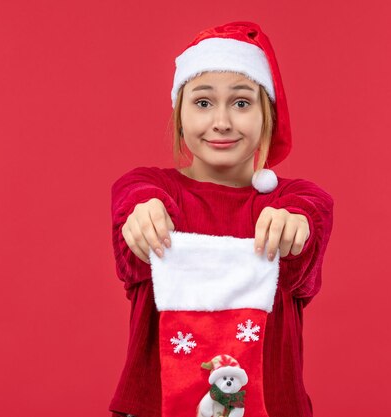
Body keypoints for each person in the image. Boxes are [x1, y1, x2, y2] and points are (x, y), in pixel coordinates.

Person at [109, 21, 334, 417]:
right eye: (203, 102)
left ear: (269, 116)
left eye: (242, 103)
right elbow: (135, 209)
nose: (222, 122)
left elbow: (309, 225)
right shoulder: (149, 187)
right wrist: (143, 212)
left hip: (272, 406)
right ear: (179, 115)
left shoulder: (293, 198)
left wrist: (297, 222)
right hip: (153, 406)